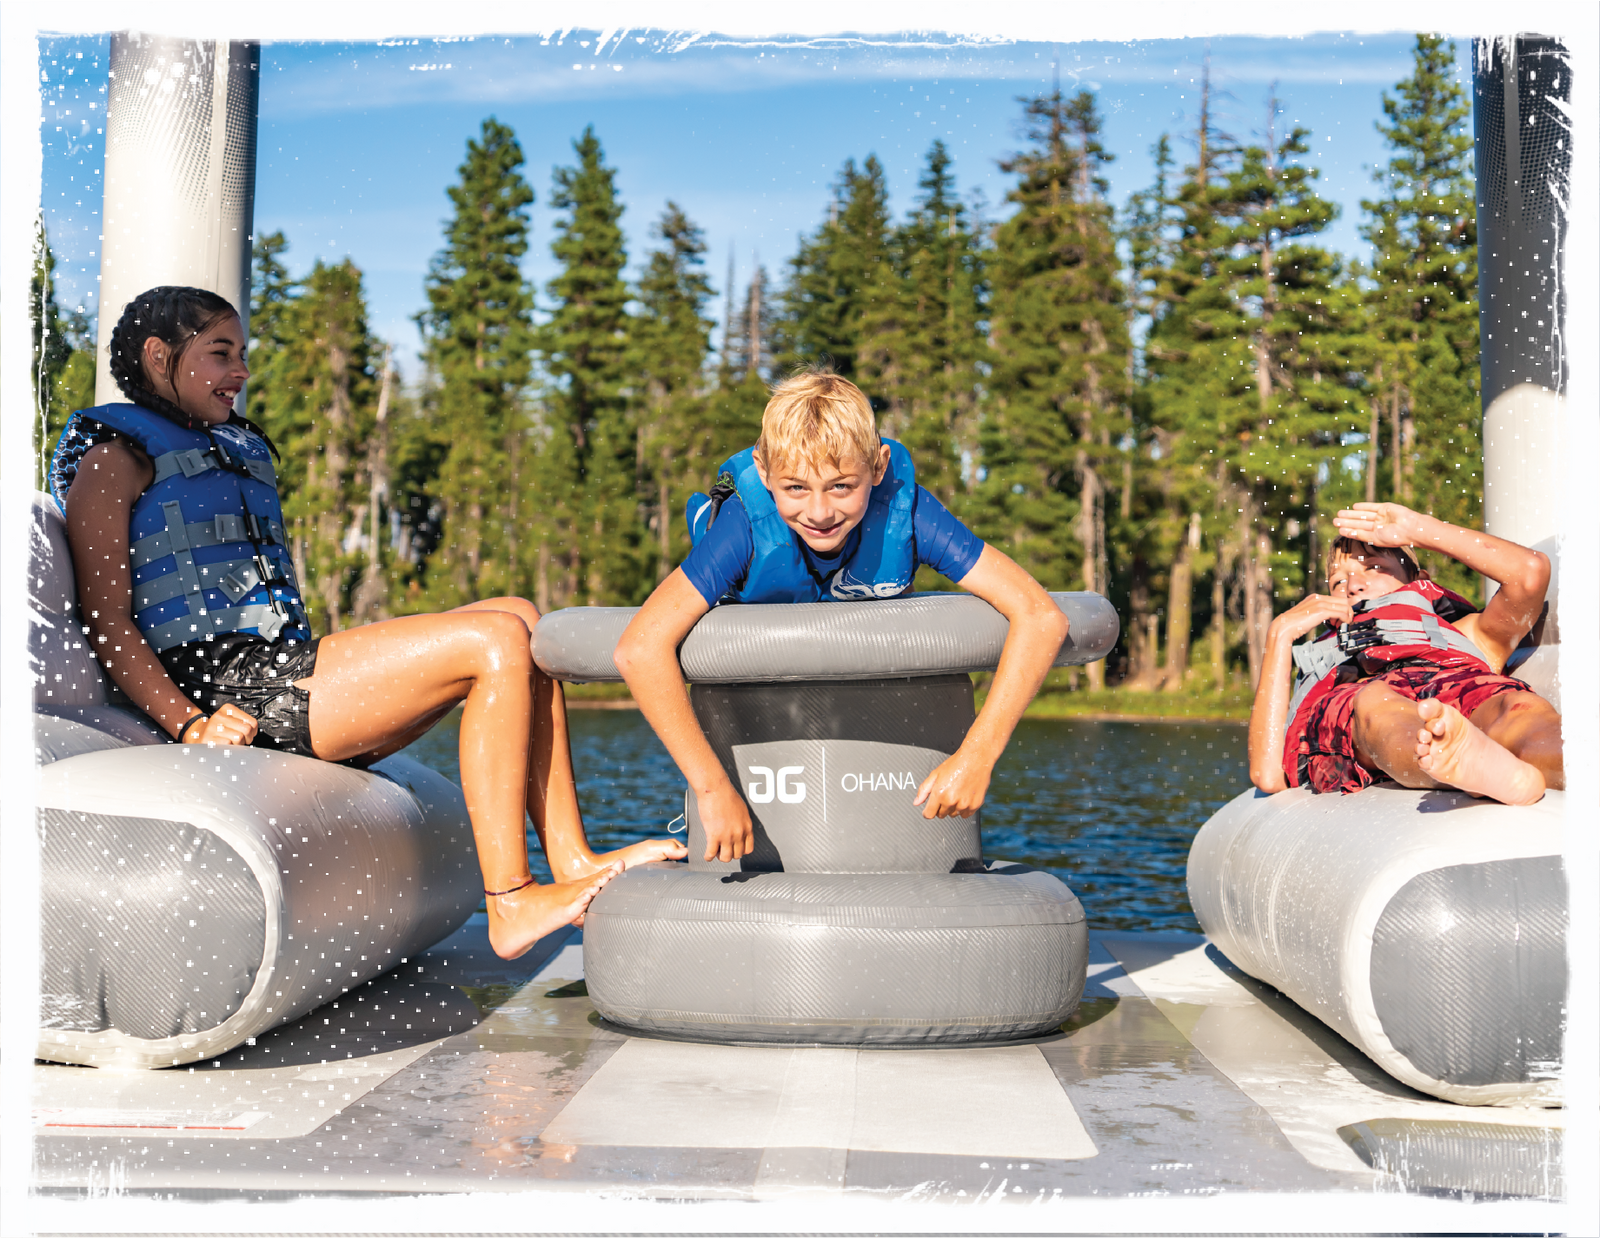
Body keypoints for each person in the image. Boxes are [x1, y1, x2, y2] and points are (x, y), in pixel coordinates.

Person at [51, 286, 685, 960]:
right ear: (158, 356)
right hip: (227, 693)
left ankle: (573, 858)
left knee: (520, 618)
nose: (240, 371)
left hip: (278, 675)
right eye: (220, 354)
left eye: (242, 354)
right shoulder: (112, 460)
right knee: (494, 641)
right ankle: (511, 900)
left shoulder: (231, 445)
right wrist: (190, 723)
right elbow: (107, 621)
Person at [612, 370, 1070, 863]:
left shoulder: (908, 513)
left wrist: (978, 754)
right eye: (795, 488)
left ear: (878, 467)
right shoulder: (745, 529)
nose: (820, 511)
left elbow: (1042, 616)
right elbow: (639, 649)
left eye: (841, 486)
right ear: (764, 474)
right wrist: (711, 789)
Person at [1247, 500, 1563, 806]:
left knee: (1515, 708)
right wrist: (1279, 635)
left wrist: (1419, 529)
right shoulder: (1336, 671)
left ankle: (1547, 760)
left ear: (1419, 581)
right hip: (1376, 712)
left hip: (1462, 692)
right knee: (1375, 703)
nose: (1353, 585)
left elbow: (1530, 573)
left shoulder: (1467, 633)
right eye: (1337, 581)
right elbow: (1268, 774)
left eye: (1373, 567)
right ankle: (1451, 756)